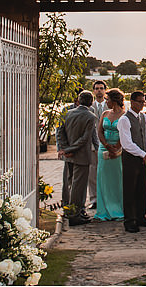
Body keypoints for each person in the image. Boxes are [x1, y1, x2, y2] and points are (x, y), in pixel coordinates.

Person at [56, 91, 96, 226]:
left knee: (69, 184)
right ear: (91, 102)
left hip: (69, 155)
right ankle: (75, 215)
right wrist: (69, 149)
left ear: (79, 100)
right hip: (81, 155)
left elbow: (60, 132)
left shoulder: (68, 113)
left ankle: (70, 211)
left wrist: (65, 148)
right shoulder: (90, 116)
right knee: (78, 187)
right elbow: (85, 139)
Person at [117, 90, 146, 233]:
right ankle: (130, 220)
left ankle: (141, 216)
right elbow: (126, 143)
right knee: (130, 189)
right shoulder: (124, 119)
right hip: (131, 158)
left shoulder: (142, 117)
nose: (142, 104)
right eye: (139, 101)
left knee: (142, 188)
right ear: (132, 102)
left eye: (143, 101)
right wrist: (141, 154)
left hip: (143, 157)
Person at [93, 88, 126, 222]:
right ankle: (103, 211)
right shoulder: (105, 114)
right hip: (104, 149)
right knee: (103, 180)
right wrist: (106, 145)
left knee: (118, 179)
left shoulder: (124, 115)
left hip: (118, 149)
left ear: (115, 100)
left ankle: (118, 209)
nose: (106, 102)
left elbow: (125, 133)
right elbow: (99, 131)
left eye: (108, 100)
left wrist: (116, 147)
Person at [88, 80, 109, 209]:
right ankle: (94, 199)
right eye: (97, 88)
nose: (99, 90)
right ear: (93, 91)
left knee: (107, 172)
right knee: (93, 172)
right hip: (92, 145)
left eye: (101, 88)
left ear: (105, 90)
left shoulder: (111, 106)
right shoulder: (90, 107)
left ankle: (107, 197)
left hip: (108, 143)